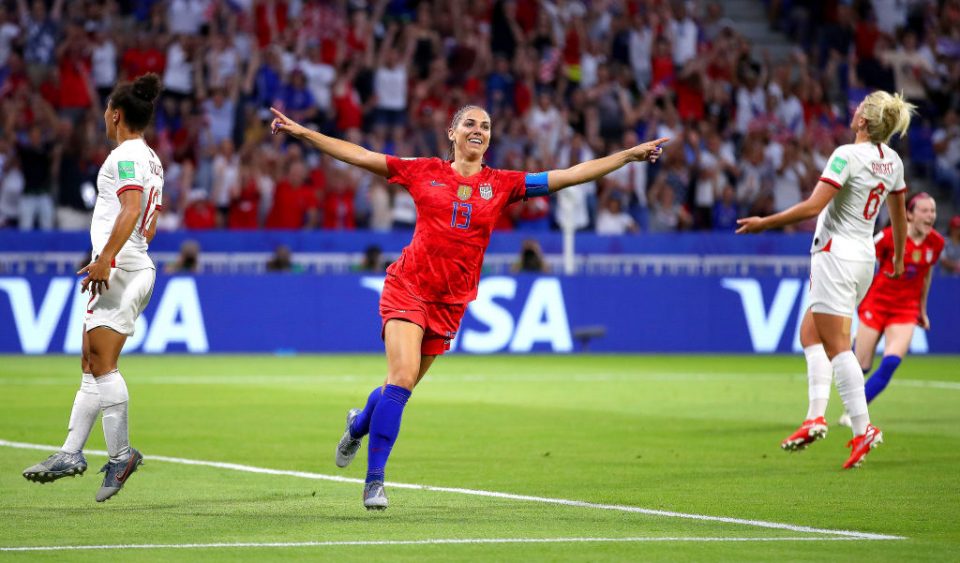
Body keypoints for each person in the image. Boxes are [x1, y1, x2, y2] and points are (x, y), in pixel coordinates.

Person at [270, 104, 667, 509]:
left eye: (486, 126)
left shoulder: (503, 184)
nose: (479, 130)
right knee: (402, 378)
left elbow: (568, 176)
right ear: (452, 132)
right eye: (471, 124)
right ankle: (375, 482)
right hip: (408, 288)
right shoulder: (422, 170)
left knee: (397, 389)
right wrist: (304, 134)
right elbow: (358, 154)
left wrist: (626, 157)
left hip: (450, 303)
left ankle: (357, 426)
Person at [736, 90, 915, 469]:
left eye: (859, 108)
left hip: (835, 255)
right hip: (864, 257)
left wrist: (764, 222)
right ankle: (814, 417)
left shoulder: (846, 156)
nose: (853, 111)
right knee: (810, 334)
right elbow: (899, 213)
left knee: (837, 347)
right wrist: (898, 256)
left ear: (863, 122)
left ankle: (863, 428)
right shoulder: (892, 161)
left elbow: (814, 206)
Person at [21, 73, 165, 501]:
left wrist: (107, 258)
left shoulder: (123, 157)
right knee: (90, 361)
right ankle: (70, 452)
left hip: (121, 268)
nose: (105, 118)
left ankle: (121, 455)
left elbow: (132, 207)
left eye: (106, 112)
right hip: (129, 264)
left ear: (116, 115)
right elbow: (150, 224)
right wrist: (112, 254)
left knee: (102, 363)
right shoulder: (152, 158)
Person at [836, 193, 943, 426]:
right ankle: (857, 347)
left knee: (891, 363)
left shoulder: (936, 243)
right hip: (876, 304)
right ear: (909, 214)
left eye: (932, 211)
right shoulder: (886, 237)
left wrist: (922, 310)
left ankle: (855, 411)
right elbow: (861, 261)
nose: (930, 215)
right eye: (924, 211)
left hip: (905, 311)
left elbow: (926, 276)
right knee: (861, 367)